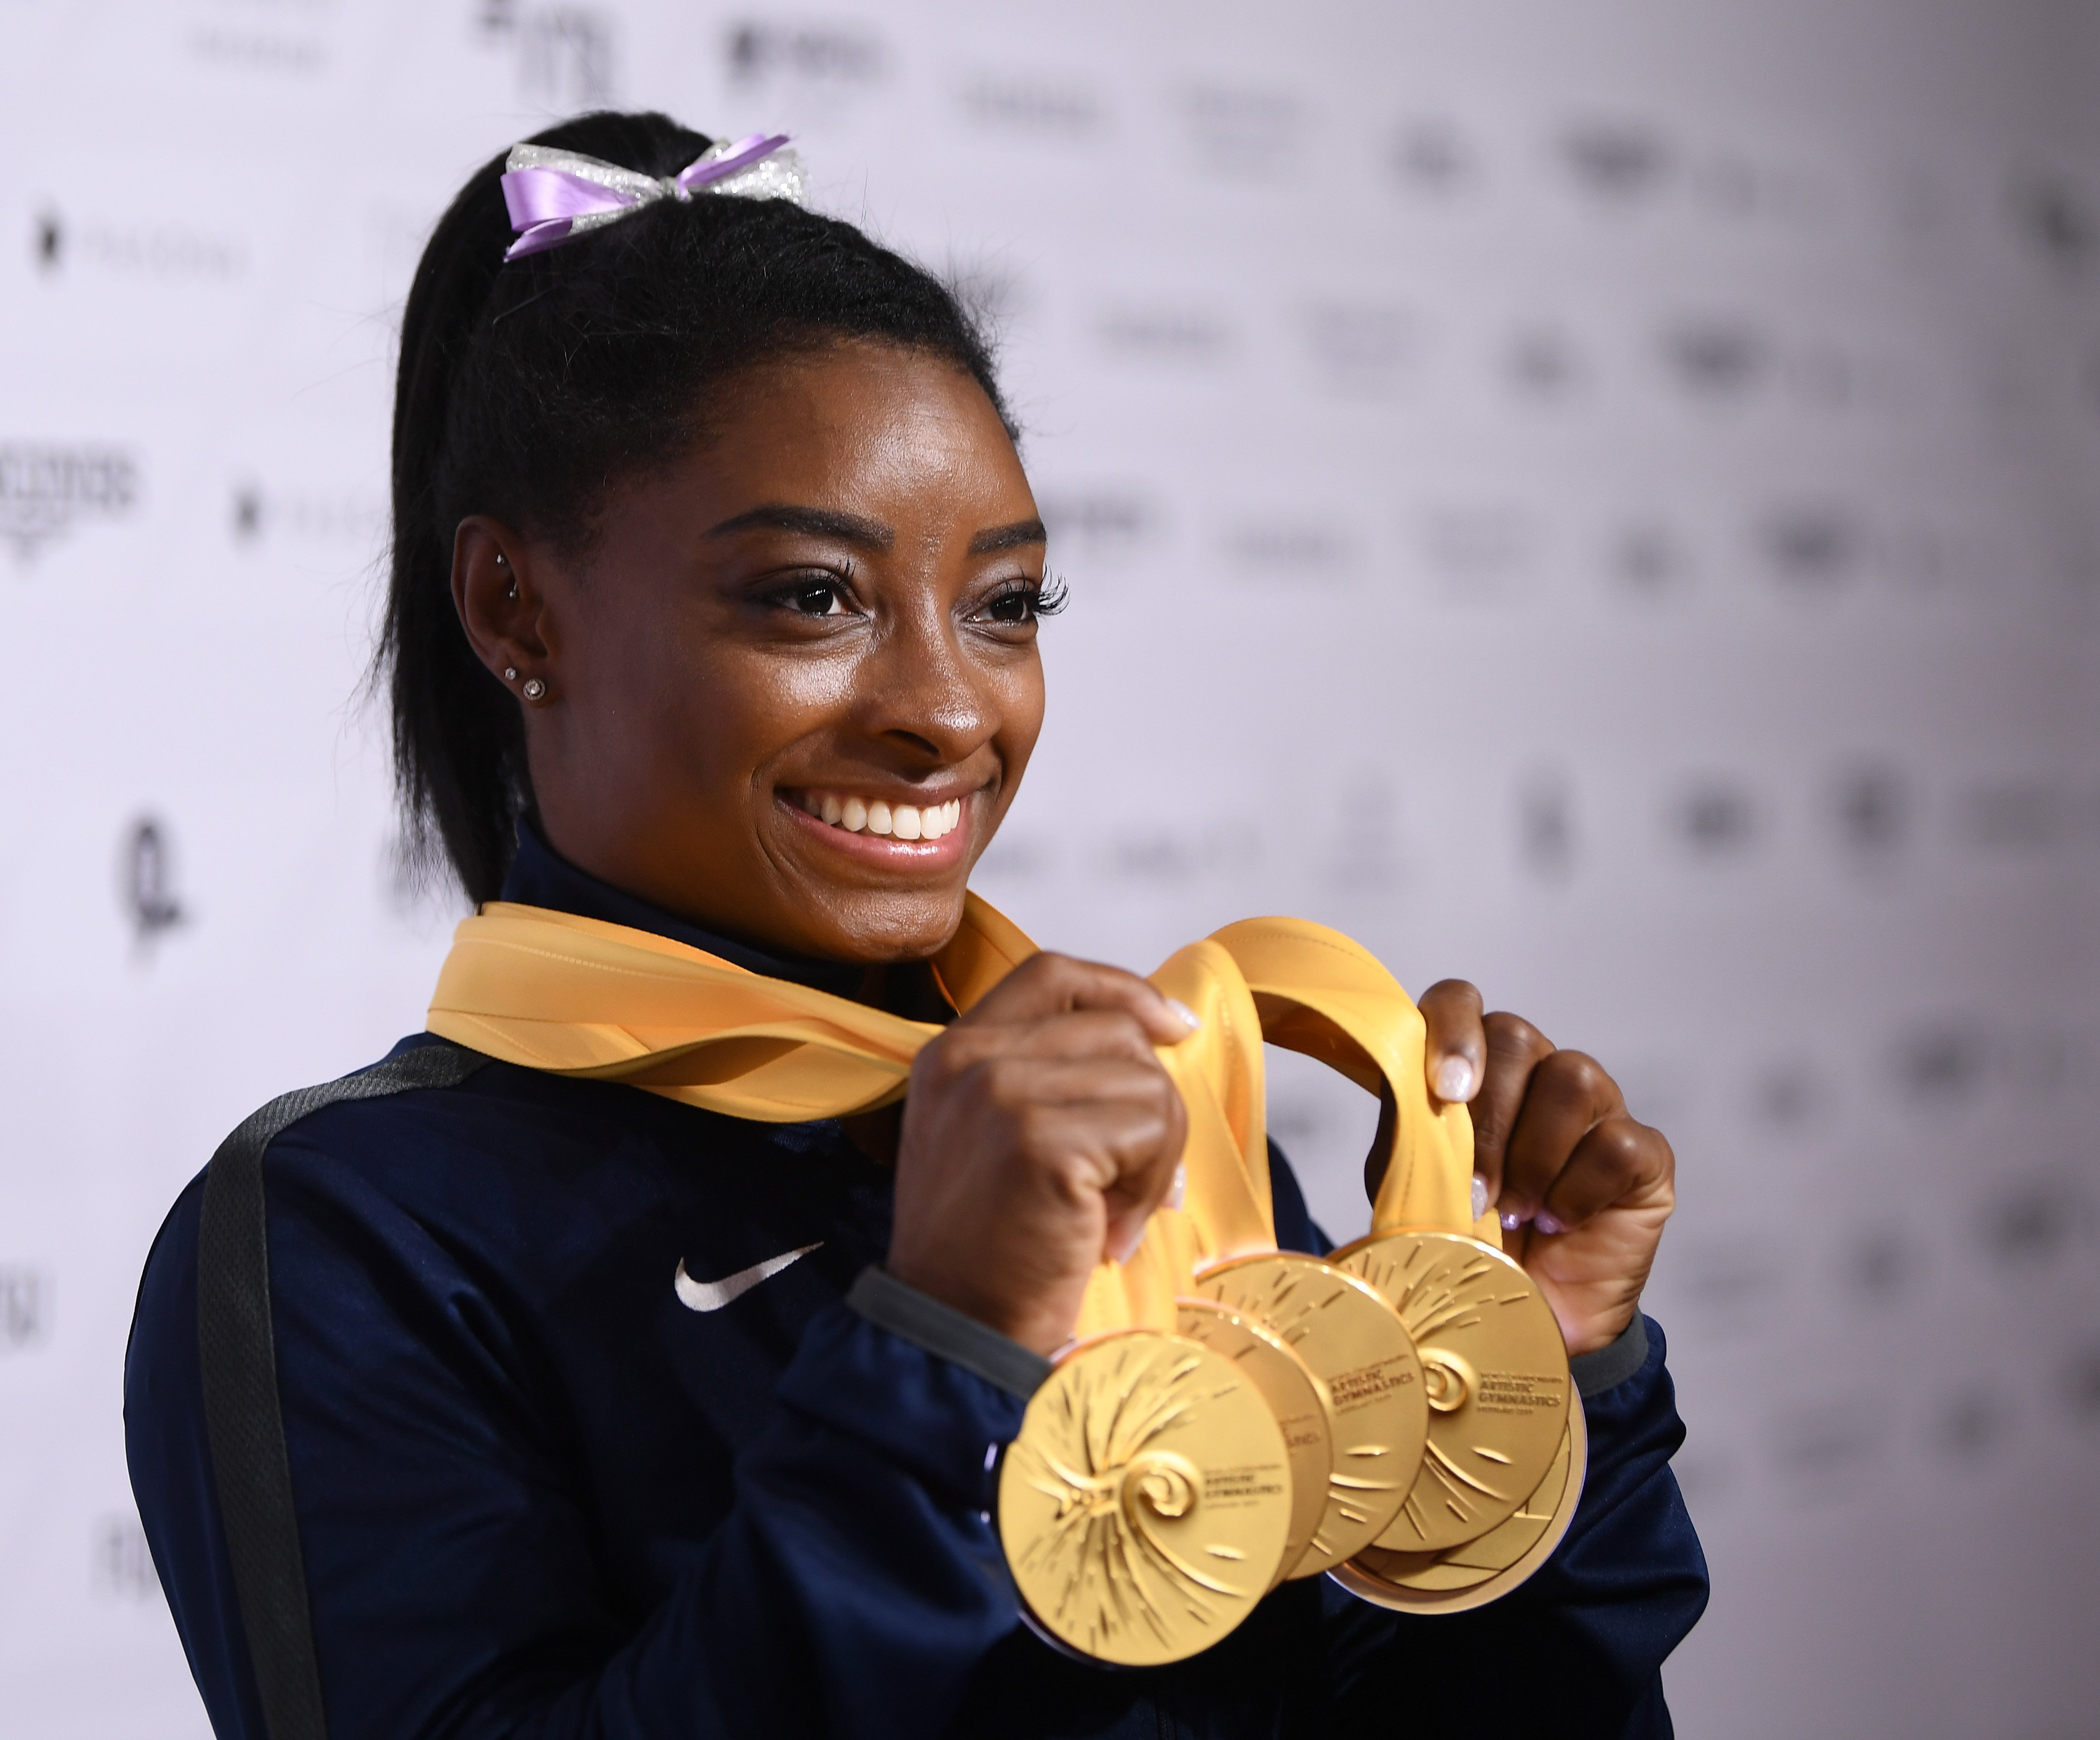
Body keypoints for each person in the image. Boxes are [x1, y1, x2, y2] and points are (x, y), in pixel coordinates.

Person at [124, 110, 1707, 1740]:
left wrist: (1541, 1375)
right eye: (815, 595)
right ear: (515, 608)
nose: (950, 710)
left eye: (1005, 606)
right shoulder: (341, 1233)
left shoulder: (1164, 1126)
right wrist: (939, 1355)